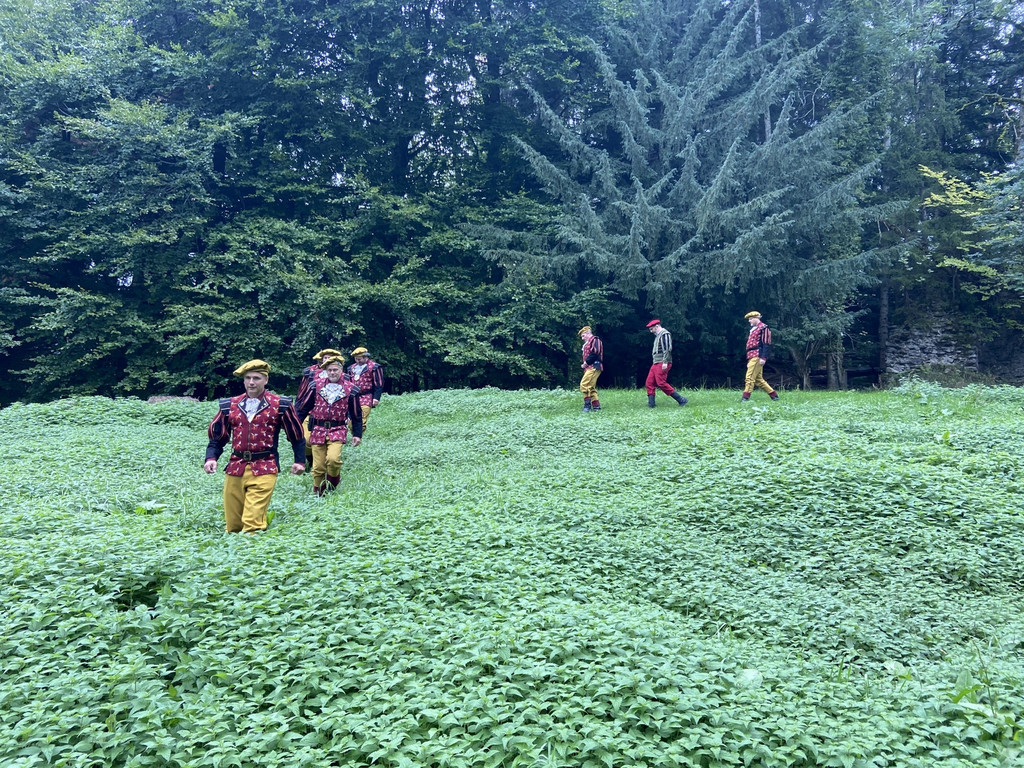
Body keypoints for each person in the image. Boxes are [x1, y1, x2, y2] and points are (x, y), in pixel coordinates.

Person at [204, 359, 306, 533]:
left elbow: (296, 435)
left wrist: (299, 461)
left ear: (266, 380)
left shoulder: (280, 404)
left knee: (252, 523)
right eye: (248, 378)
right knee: (233, 525)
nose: (251, 382)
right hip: (235, 467)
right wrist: (211, 457)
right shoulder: (229, 405)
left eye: (256, 378)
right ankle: (235, 549)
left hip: (265, 466)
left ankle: (252, 547)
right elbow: (218, 436)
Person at [297, 355, 363, 495]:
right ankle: (319, 493)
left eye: (335, 370)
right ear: (326, 371)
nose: (332, 373)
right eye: (329, 370)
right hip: (318, 429)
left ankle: (332, 484)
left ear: (341, 370)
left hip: (337, 429)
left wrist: (357, 434)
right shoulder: (315, 385)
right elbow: (303, 408)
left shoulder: (351, 389)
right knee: (318, 466)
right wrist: (295, 426)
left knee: (333, 460)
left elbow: (356, 413)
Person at [297, 348, 342, 465]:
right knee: (306, 440)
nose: (327, 360)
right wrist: (296, 416)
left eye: (330, 358)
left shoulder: (344, 378)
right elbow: (302, 394)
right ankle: (311, 460)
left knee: (330, 449)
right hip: (310, 413)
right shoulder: (312, 374)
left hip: (334, 418)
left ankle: (325, 463)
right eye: (325, 358)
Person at [645, 319, 688, 407]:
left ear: (657, 326)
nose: (651, 331)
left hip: (662, 362)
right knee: (649, 382)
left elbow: (667, 349)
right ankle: (651, 404)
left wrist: (665, 362)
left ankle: (681, 399)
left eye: (651, 329)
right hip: (656, 362)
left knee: (661, 383)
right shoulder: (658, 335)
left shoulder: (664, 334)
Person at [742, 311, 779, 402]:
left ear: (756, 318)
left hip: (757, 355)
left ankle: (745, 398)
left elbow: (766, 343)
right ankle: (774, 396)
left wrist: (763, 357)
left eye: (751, 319)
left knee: (749, 377)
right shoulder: (754, 329)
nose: (749, 321)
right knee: (758, 379)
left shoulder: (763, 328)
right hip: (752, 355)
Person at [346, 346, 384, 431]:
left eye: (359, 359)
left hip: (366, 397)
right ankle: (356, 436)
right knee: (351, 423)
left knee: (361, 420)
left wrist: (376, 397)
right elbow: (348, 383)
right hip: (353, 397)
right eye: (356, 359)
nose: (357, 361)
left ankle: (358, 436)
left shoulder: (374, 367)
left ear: (366, 357)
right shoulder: (350, 368)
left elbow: (379, 383)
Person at [578, 326, 603, 412]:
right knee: (591, 386)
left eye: (583, 336)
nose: (582, 338)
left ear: (588, 333)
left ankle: (587, 406)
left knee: (584, 384)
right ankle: (596, 406)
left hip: (594, 366)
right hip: (591, 367)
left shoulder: (595, 340)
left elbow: (595, 353)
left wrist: (586, 363)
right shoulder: (589, 342)